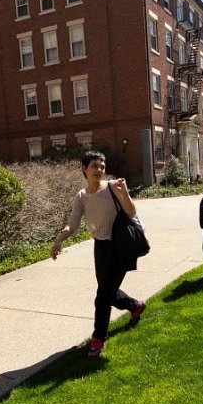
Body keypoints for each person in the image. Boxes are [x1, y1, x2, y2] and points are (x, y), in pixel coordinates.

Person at [51, 151, 146, 358]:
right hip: (100, 248)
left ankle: (98, 339)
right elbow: (73, 223)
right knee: (108, 291)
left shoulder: (113, 186)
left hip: (119, 246)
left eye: (102, 167)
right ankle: (135, 305)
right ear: (84, 168)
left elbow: (131, 212)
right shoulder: (82, 196)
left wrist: (125, 193)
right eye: (95, 166)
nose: (99, 170)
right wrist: (60, 239)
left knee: (102, 297)